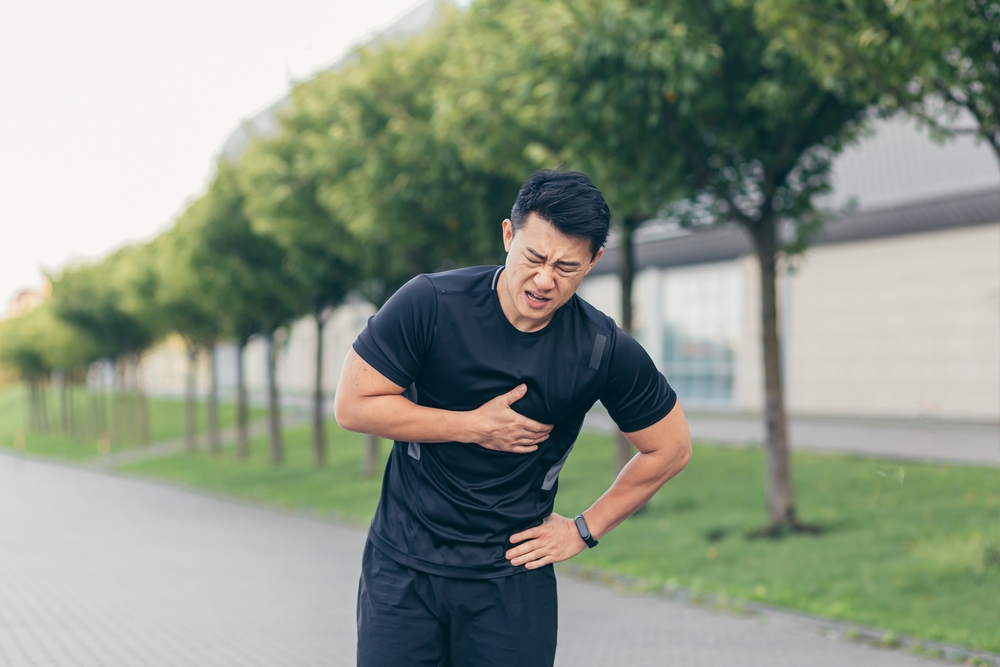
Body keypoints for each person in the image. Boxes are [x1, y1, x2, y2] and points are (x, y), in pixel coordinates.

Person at [334, 170, 692, 667]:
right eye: (534, 257)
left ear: (593, 262)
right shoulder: (431, 304)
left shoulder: (600, 349)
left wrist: (584, 530)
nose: (545, 279)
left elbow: (670, 448)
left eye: (567, 266)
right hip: (403, 568)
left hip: (512, 580)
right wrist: (471, 425)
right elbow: (353, 405)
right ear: (508, 235)